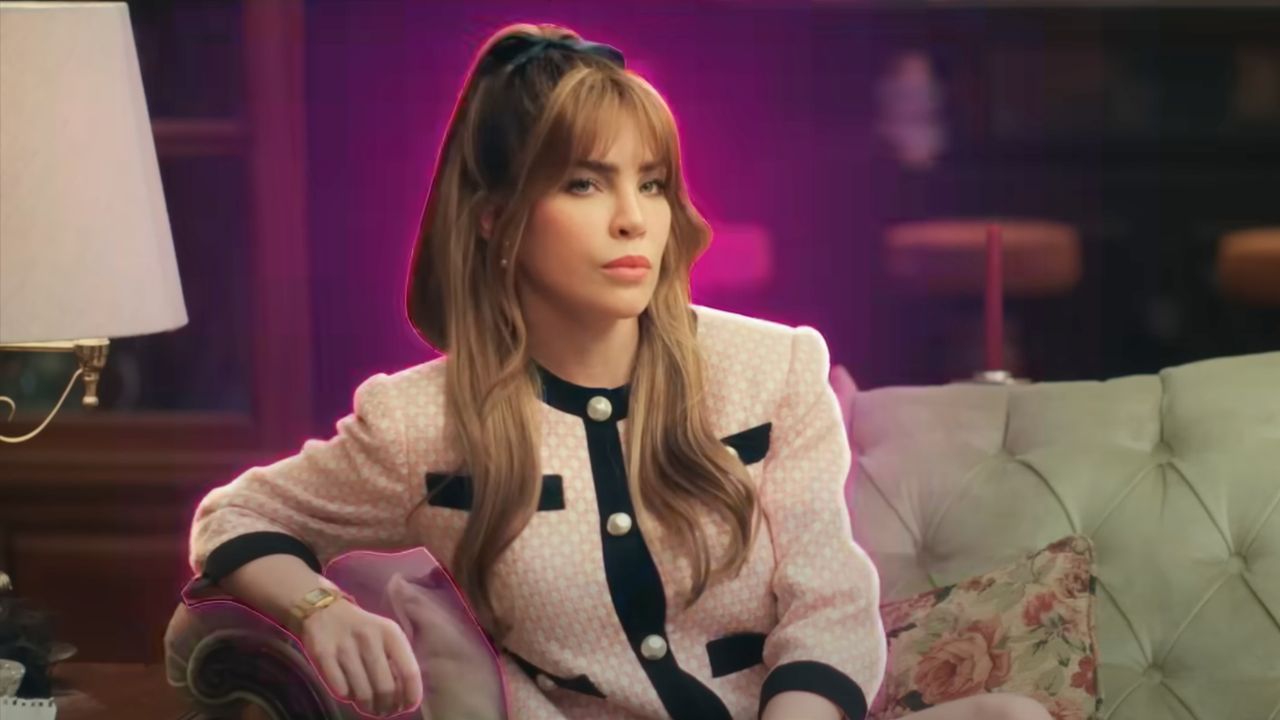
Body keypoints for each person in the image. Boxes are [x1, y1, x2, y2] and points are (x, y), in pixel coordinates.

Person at [186, 22, 1051, 720]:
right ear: (494, 219)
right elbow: (236, 517)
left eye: (653, 183)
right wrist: (320, 609)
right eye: (585, 184)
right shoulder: (419, 421)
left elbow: (826, 607)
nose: (635, 220)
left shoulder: (776, 368)